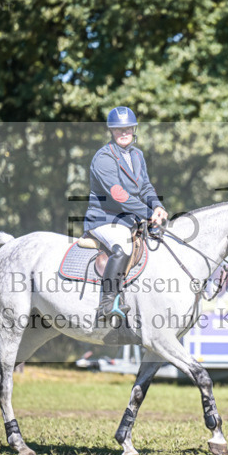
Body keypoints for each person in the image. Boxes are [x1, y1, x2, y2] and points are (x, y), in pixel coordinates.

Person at [84, 106, 169, 325]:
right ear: (111, 131)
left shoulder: (137, 154)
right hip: (104, 218)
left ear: (134, 129)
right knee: (124, 248)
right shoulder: (103, 158)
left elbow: (146, 187)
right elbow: (119, 195)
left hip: (128, 219)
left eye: (128, 128)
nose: (124, 133)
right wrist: (149, 214)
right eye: (118, 129)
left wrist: (157, 206)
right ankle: (107, 302)